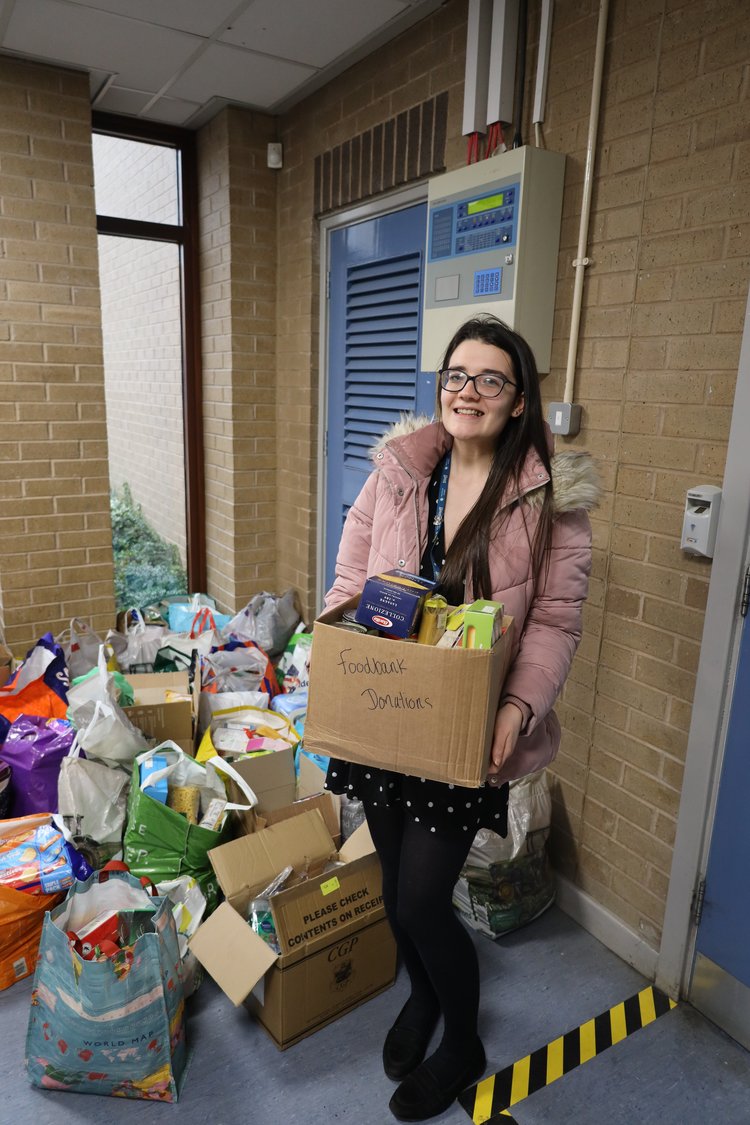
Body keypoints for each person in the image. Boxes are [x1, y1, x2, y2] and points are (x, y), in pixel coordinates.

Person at [323, 315, 599, 1121]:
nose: (467, 391)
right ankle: (423, 997)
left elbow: (554, 620)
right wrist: (335, 649)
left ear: (518, 401)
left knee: (419, 901)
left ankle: (464, 1038)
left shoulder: (553, 500)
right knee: (387, 887)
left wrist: (519, 704)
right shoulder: (400, 473)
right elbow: (350, 574)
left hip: (463, 727)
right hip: (385, 711)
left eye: (489, 379)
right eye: (455, 376)